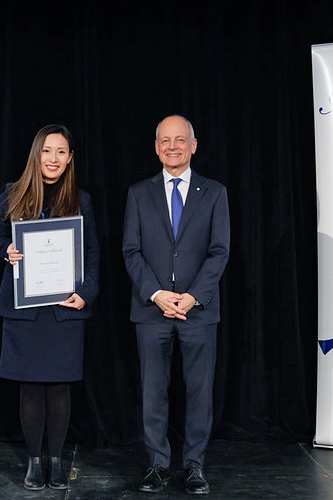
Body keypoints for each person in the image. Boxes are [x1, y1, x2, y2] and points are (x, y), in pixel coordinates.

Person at [0, 124, 99, 491]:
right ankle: (35, 461)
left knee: (60, 387)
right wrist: (7, 251)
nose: (53, 158)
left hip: (65, 307)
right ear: (37, 155)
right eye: (47, 151)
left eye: (61, 152)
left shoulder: (81, 199)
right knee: (31, 388)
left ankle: (56, 459)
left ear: (70, 159)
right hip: (24, 308)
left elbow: (92, 252)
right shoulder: (13, 194)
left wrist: (86, 292)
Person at [122, 115, 230, 495]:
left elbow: (219, 252)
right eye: (165, 140)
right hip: (152, 311)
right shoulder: (139, 193)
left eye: (180, 140)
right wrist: (157, 294)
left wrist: (193, 295)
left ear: (193, 145)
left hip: (198, 311)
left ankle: (195, 466)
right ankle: (156, 465)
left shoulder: (214, 192)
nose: (172, 146)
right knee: (154, 391)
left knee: (199, 392)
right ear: (156, 147)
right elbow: (131, 251)